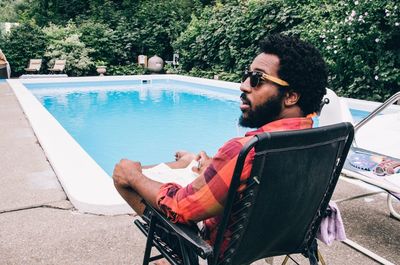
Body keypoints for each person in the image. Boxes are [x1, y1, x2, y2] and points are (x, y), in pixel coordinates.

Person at [113, 34, 328, 261]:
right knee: (192, 165)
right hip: (281, 237)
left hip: (223, 247)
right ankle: (189, 163)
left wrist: (134, 176)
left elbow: (180, 208)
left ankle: (182, 254)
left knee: (123, 174)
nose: (243, 85)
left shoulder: (247, 151)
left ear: (291, 96)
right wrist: (213, 166)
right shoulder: (319, 140)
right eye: (247, 75)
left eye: (257, 79)